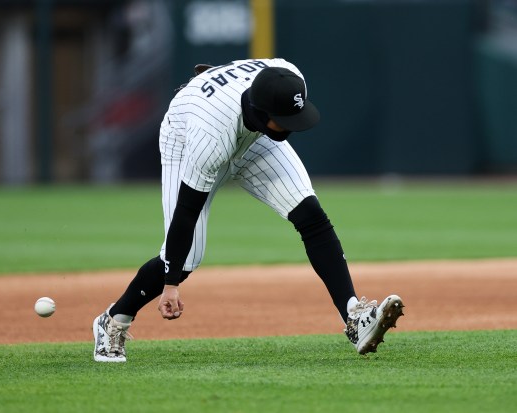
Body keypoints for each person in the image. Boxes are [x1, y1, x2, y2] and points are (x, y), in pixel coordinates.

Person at [92, 58, 404, 362]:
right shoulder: (209, 139)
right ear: (261, 110)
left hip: (252, 136)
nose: (293, 127)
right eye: (284, 121)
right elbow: (186, 213)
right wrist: (171, 284)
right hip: (185, 135)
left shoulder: (288, 75)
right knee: (184, 259)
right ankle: (113, 320)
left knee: (311, 216)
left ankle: (354, 318)